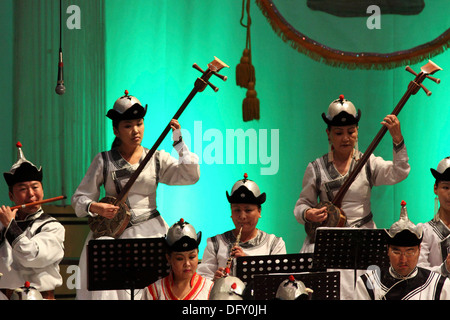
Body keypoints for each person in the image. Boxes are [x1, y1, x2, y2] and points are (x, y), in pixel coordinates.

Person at [71, 90, 200, 300]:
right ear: (116, 130)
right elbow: (79, 199)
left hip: (151, 233)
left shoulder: (157, 158)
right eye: (128, 126)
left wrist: (179, 144)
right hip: (115, 236)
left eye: (139, 123)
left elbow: (189, 175)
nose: (135, 131)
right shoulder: (103, 160)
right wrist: (96, 207)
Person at [294, 94, 410, 253]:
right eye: (339, 133)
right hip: (329, 240)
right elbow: (302, 204)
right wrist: (308, 213)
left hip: (363, 238)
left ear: (357, 131)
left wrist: (398, 139)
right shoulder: (316, 168)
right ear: (328, 134)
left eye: (351, 131)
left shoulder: (369, 163)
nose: (346, 138)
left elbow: (400, 172)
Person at [0, 142, 65, 300]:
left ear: (42, 190)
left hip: (38, 296)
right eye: (22, 189)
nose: (31, 195)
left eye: (35, 187)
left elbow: (31, 256)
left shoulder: (52, 227)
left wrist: (10, 226)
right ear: (11, 196)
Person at [197, 174, 286, 280]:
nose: (242, 216)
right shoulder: (215, 243)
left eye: (248, 210)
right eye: (237, 210)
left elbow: (278, 280)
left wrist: (248, 264)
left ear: (259, 211)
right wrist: (214, 281)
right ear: (231, 211)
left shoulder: (274, 244)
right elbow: (203, 278)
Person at [355, 201, 450, 300]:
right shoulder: (368, 283)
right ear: (388, 250)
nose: (403, 259)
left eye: (410, 252)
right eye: (396, 252)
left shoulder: (438, 285)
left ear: (419, 250)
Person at [141, 218, 213, 300]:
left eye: (192, 257)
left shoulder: (210, 290)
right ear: (169, 258)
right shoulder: (153, 292)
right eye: (180, 258)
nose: (187, 263)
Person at [417, 157, 450, 275]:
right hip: (436, 292)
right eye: (445, 187)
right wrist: (445, 268)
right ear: (435, 189)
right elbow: (419, 272)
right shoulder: (425, 232)